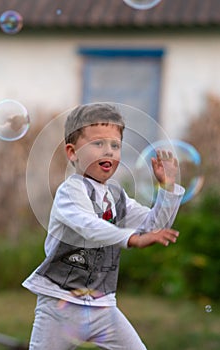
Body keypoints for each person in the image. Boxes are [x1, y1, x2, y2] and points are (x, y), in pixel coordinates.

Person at [23, 103, 185, 350]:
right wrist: (131, 238)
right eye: (98, 144)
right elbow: (89, 226)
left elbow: (153, 226)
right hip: (59, 303)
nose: (108, 151)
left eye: (115, 145)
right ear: (72, 152)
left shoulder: (117, 196)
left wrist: (167, 189)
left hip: (103, 306)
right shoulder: (70, 191)